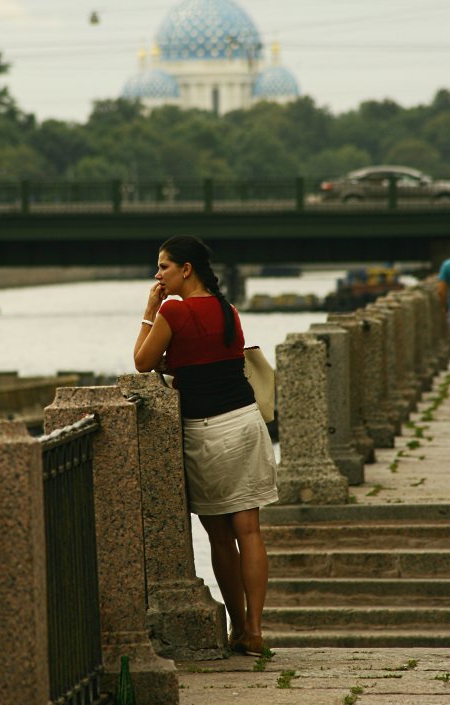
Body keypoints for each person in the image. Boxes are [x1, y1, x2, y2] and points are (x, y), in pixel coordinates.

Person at [134, 235, 278, 657]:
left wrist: (147, 313)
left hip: (205, 431)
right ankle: (253, 630)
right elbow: (211, 356)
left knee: (220, 536)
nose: (158, 275)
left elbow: (142, 362)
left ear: (186, 269)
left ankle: (236, 625)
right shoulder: (226, 309)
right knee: (249, 530)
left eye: (163, 266)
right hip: (245, 423)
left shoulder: (172, 311)